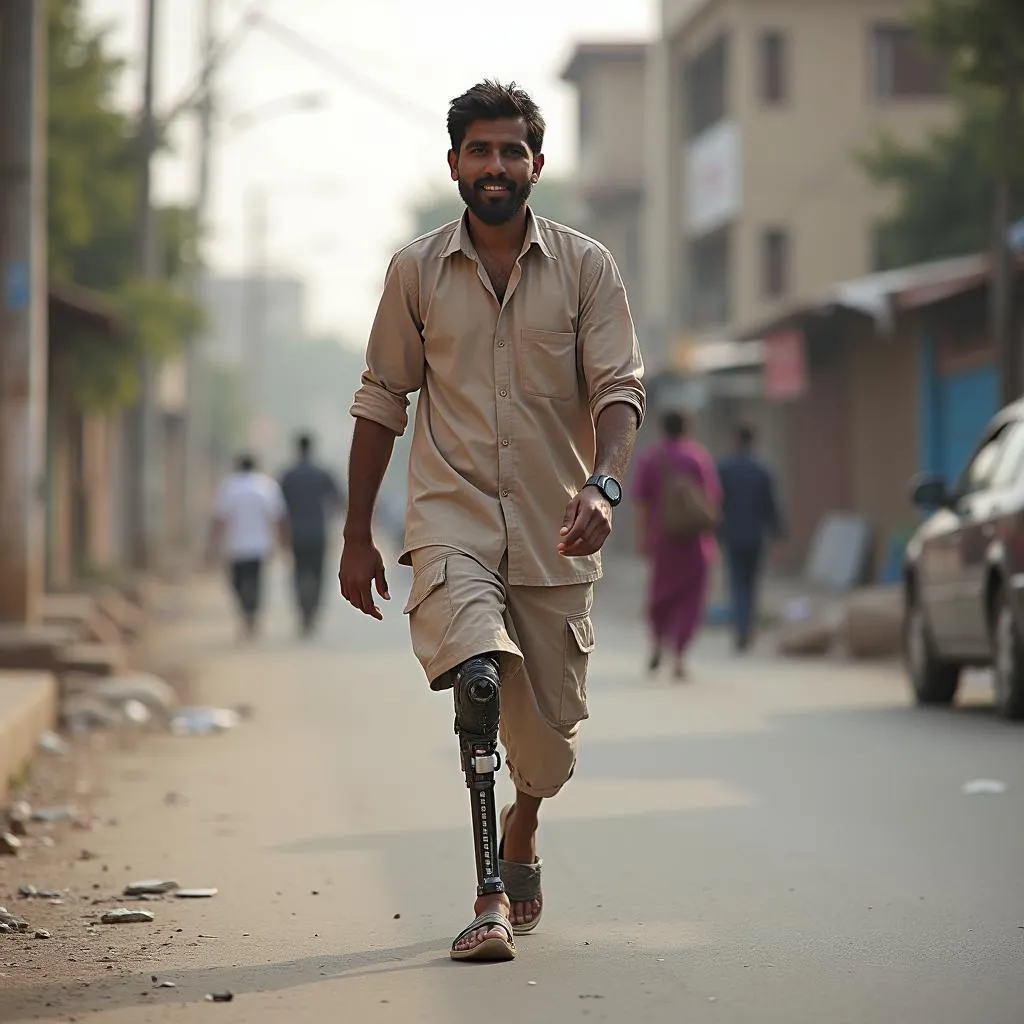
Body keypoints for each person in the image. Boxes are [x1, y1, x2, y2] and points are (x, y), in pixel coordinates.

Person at [338, 80, 644, 963]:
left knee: (546, 754)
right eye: (480, 151)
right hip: (452, 522)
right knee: (477, 685)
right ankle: (487, 898)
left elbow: (619, 389)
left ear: (536, 165)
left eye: (512, 151)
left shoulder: (588, 269)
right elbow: (381, 398)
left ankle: (525, 822)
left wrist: (604, 486)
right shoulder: (416, 273)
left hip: (558, 536)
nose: (496, 166)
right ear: (454, 165)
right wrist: (357, 534)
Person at [632, 410, 721, 680]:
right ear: (687, 429)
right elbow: (712, 498)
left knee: (661, 595)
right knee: (691, 598)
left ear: (661, 429)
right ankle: (680, 655)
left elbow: (642, 503)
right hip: (695, 542)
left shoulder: (651, 458)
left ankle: (659, 641)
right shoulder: (698, 457)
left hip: (663, 540)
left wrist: (643, 537)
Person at [717, 423, 785, 651]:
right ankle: (748, 628)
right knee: (752, 584)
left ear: (736, 440)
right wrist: (777, 536)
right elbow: (771, 506)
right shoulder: (763, 470)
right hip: (756, 536)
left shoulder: (725, 470)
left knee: (737, 584)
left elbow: (718, 504)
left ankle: (741, 629)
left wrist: (716, 536)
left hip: (732, 535)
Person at [207, 454, 289, 639]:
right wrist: (282, 542)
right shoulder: (266, 486)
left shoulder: (229, 486)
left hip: (235, 546)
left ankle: (247, 615)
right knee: (255, 583)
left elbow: (219, 519)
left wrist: (212, 546)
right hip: (260, 546)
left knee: (238, 583)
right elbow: (277, 517)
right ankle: (251, 615)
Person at [279, 432, 346, 635]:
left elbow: (277, 506)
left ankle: (303, 613)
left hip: (296, 534)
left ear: (297, 448)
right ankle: (313, 612)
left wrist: (281, 534)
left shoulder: (288, 475)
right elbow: (339, 500)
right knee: (318, 574)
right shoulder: (322, 473)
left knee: (299, 573)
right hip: (318, 533)